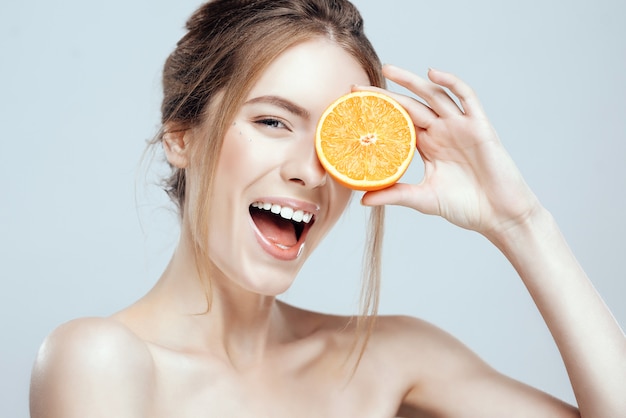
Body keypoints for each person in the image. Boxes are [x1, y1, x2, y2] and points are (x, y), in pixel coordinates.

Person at [29, 0, 625, 417]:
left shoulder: (395, 358)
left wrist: (519, 221)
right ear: (182, 136)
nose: (310, 171)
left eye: (334, 144)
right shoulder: (100, 361)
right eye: (271, 121)